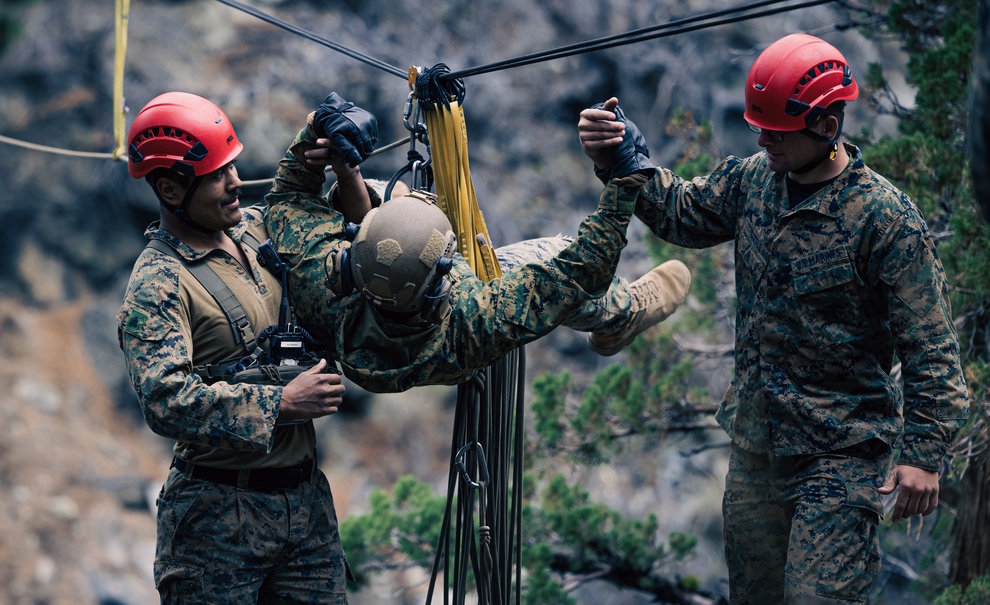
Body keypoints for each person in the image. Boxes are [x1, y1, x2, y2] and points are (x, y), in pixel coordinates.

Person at [578, 33, 970, 604]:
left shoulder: (884, 219)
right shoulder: (754, 180)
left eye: (777, 132)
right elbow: (684, 215)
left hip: (840, 458)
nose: (762, 140)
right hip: (756, 453)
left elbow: (931, 348)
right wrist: (623, 160)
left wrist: (923, 456)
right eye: (758, 127)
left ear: (827, 127)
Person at [261, 93, 692, 393]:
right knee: (553, 259)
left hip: (373, 318)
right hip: (443, 337)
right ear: (444, 283)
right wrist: (626, 178)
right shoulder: (471, 321)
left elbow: (289, 197)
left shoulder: (320, 280)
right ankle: (621, 316)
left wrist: (322, 131)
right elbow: (580, 271)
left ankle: (365, 194)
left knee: (384, 205)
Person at [117, 92, 351, 604]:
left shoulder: (254, 232)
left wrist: (326, 142)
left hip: (305, 508)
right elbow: (165, 399)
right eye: (218, 174)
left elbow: (302, 200)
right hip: (216, 522)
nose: (236, 182)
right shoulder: (159, 283)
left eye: (233, 165)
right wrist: (282, 404)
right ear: (171, 187)